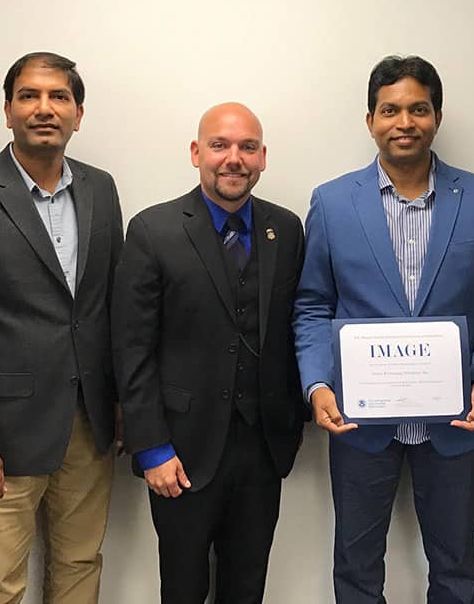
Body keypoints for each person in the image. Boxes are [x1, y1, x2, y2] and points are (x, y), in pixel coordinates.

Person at [293, 55, 474, 604]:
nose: (404, 122)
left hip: (457, 417)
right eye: (390, 110)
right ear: (370, 120)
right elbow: (312, 305)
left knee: (456, 568)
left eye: (418, 109)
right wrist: (318, 385)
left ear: (437, 117)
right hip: (358, 420)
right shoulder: (332, 201)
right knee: (355, 567)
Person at [0, 52, 123, 603]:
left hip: (89, 425)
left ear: (78, 113)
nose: (44, 108)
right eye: (29, 96)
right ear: (8, 110)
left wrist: (122, 403)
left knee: (80, 563)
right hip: (2, 434)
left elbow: (109, 306)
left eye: (59, 97)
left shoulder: (101, 189)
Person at [113, 102, 306, 604]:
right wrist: (151, 448)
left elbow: (295, 328)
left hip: (262, 449)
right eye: (220, 145)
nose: (233, 158)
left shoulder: (286, 230)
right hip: (180, 450)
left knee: (247, 587)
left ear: (263, 157)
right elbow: (132, 348)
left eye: (247, 147)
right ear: (197, 153)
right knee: (183, 588)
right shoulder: (153, 230)